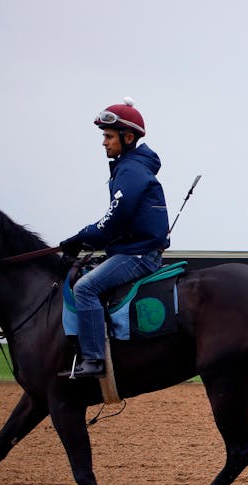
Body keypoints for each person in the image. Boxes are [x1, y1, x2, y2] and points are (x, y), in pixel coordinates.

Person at [58, 98, 170, 379]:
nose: (104, 142)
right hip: (135, 250)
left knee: (84, 288)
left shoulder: (130, 170)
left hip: (137, 255)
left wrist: (82, 236)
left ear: (128, 137)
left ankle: (94, 360)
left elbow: (115, 217)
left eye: (109, 136)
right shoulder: (130, 167)